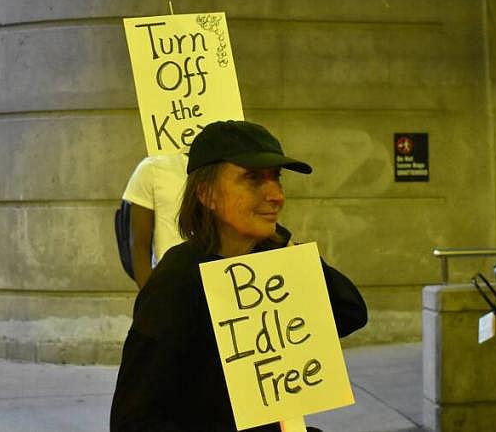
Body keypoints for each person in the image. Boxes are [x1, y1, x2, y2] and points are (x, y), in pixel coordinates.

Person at [110, 120, 368, 432]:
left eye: (277, 178)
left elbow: (351, 313)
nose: (276, 196)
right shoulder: (177, 280)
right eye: (253, 179)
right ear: (207, 194)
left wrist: (290, 250)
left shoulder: (274, 261)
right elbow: (133, 418)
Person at [121, 152, 188, 288]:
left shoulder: (227, 167)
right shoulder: (152, 169)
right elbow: (139, 246)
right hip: (169, 284)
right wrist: (150, 298)